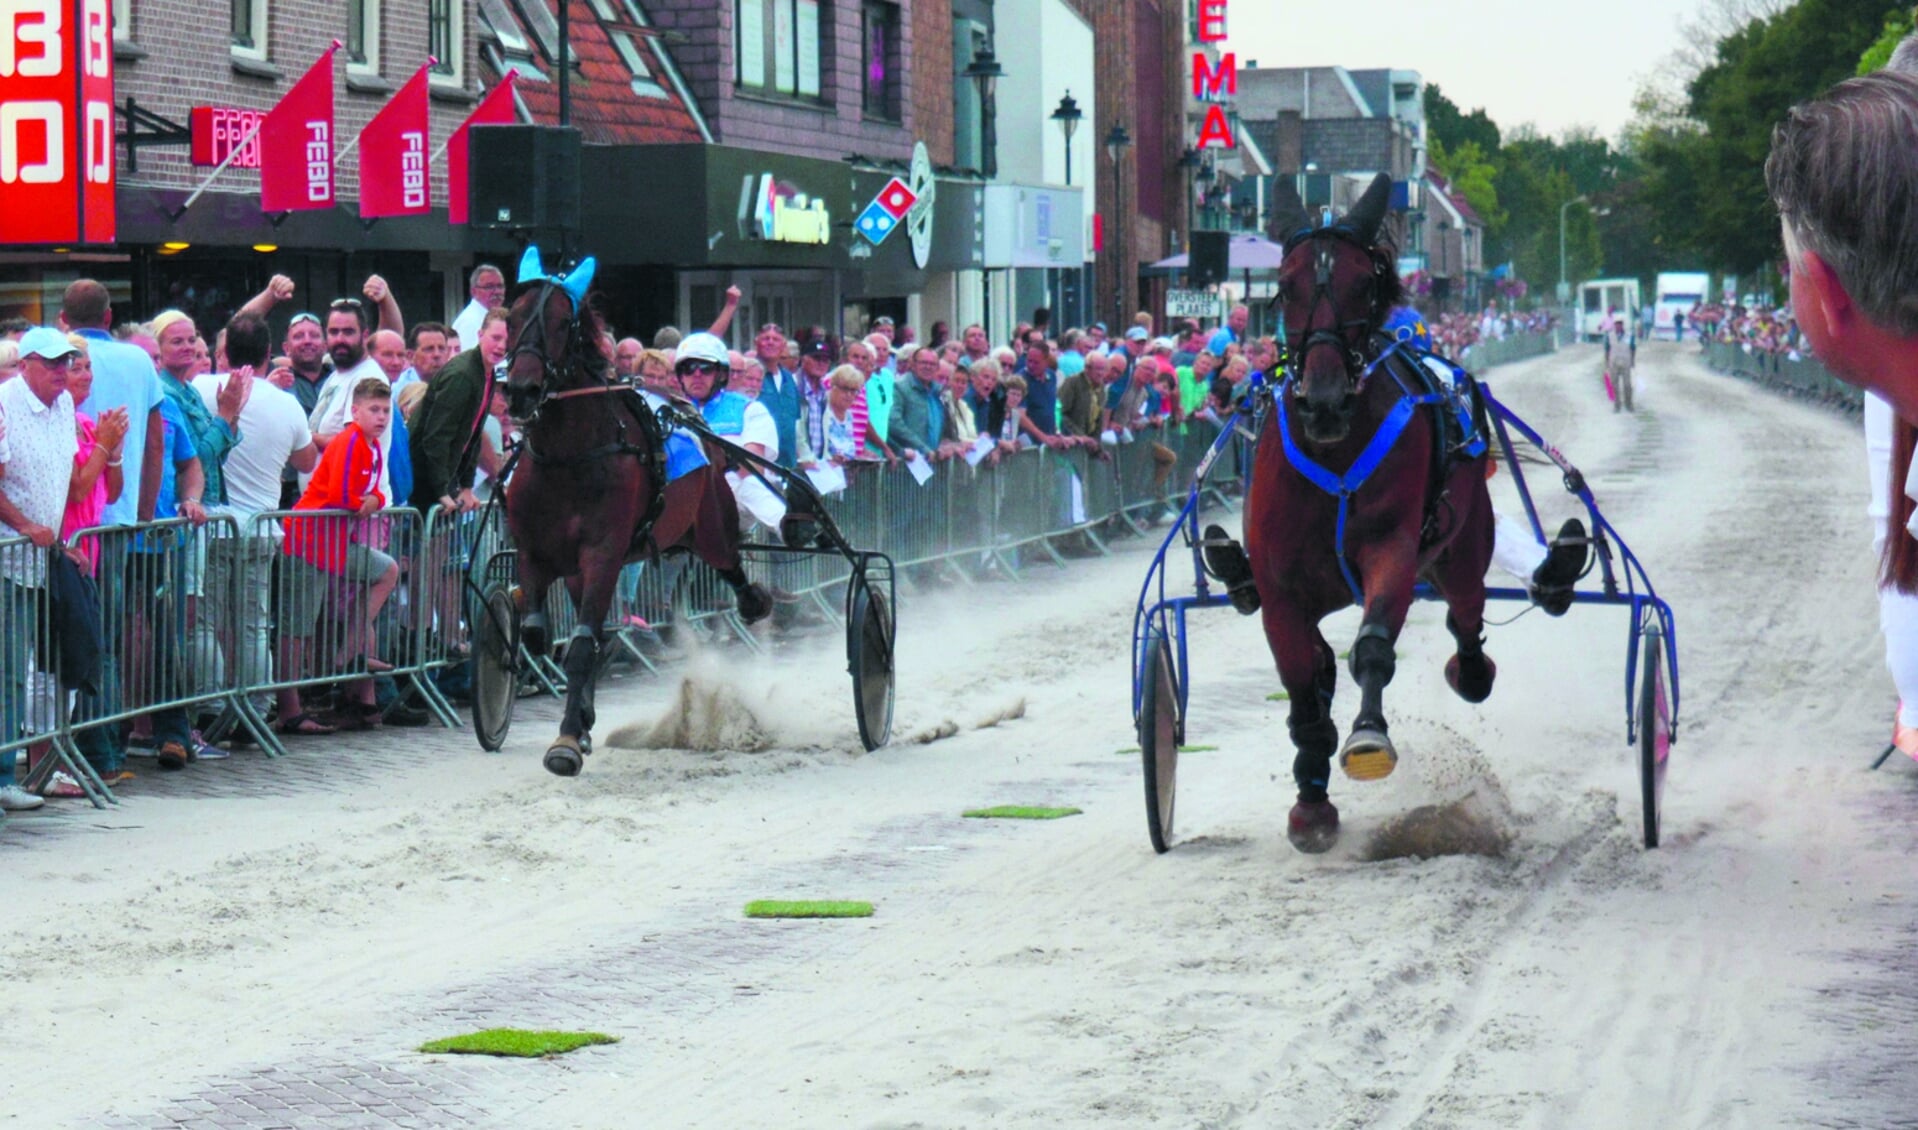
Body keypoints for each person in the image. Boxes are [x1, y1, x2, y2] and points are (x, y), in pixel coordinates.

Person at [193, 314, 320, 703]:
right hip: (261, 528)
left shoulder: (200, 386)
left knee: (205, 623)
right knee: (255, 625)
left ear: (223, 353)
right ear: (270, 353)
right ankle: (257, 706)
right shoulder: (287, 405)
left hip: (212, 526)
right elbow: (306, 460)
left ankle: (212, 706)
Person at [279, 379, 401, 734]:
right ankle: (291, 710)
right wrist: (366, 503)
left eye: (385, 411)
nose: (380, 417)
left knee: (386, 570)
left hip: (333, 546)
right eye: (374, 410)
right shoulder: (350, 443)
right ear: (355, 412)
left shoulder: (373, 445)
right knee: (296, 628)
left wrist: (373, 501)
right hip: (306, 543)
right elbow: (341, 495)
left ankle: (348, 650)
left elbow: (375, 491)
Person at [0, 328, 83, 813]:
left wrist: (59, 537)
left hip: (38, 556)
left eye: (66, 362)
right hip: (8, 556)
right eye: (51, 362)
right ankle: (4, 773)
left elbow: (62, 481)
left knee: (31, 667)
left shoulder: (65, 406)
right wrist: (27, 525)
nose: (61, 370)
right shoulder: (5, 405)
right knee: (9, 671)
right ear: (27, 362)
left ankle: (24, 769)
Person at [671, 333, 789, 535]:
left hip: (730, 501)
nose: (697, 374)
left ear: (722, 374)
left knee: (750, 482)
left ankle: (787, 527)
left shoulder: (750, 410)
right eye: (689, 368)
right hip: (680, 504)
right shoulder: (667, 412)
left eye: (706, 368)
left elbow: (752, 467)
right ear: (680, 376)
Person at [451, 264, 507, 348]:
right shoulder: (469, 322)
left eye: (500, 286)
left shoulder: (493, 318)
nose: (497, 292)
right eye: (489, 287)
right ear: (474, 292)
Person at [1605, 320, 1635, 413]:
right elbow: (1607, 349)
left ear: (1622, 325)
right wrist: (1607, 362)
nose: (1618, 326)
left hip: (1626, 362)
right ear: (1614, 325)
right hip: (1613, 362)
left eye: (1620, 324)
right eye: (1617, 324)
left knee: (1627, 385)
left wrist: (1633, 361)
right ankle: (1617, 405)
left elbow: (1633, 348)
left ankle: (1628, 404)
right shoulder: (1609, 335)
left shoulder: (1629, 335)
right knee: (1614, 385)